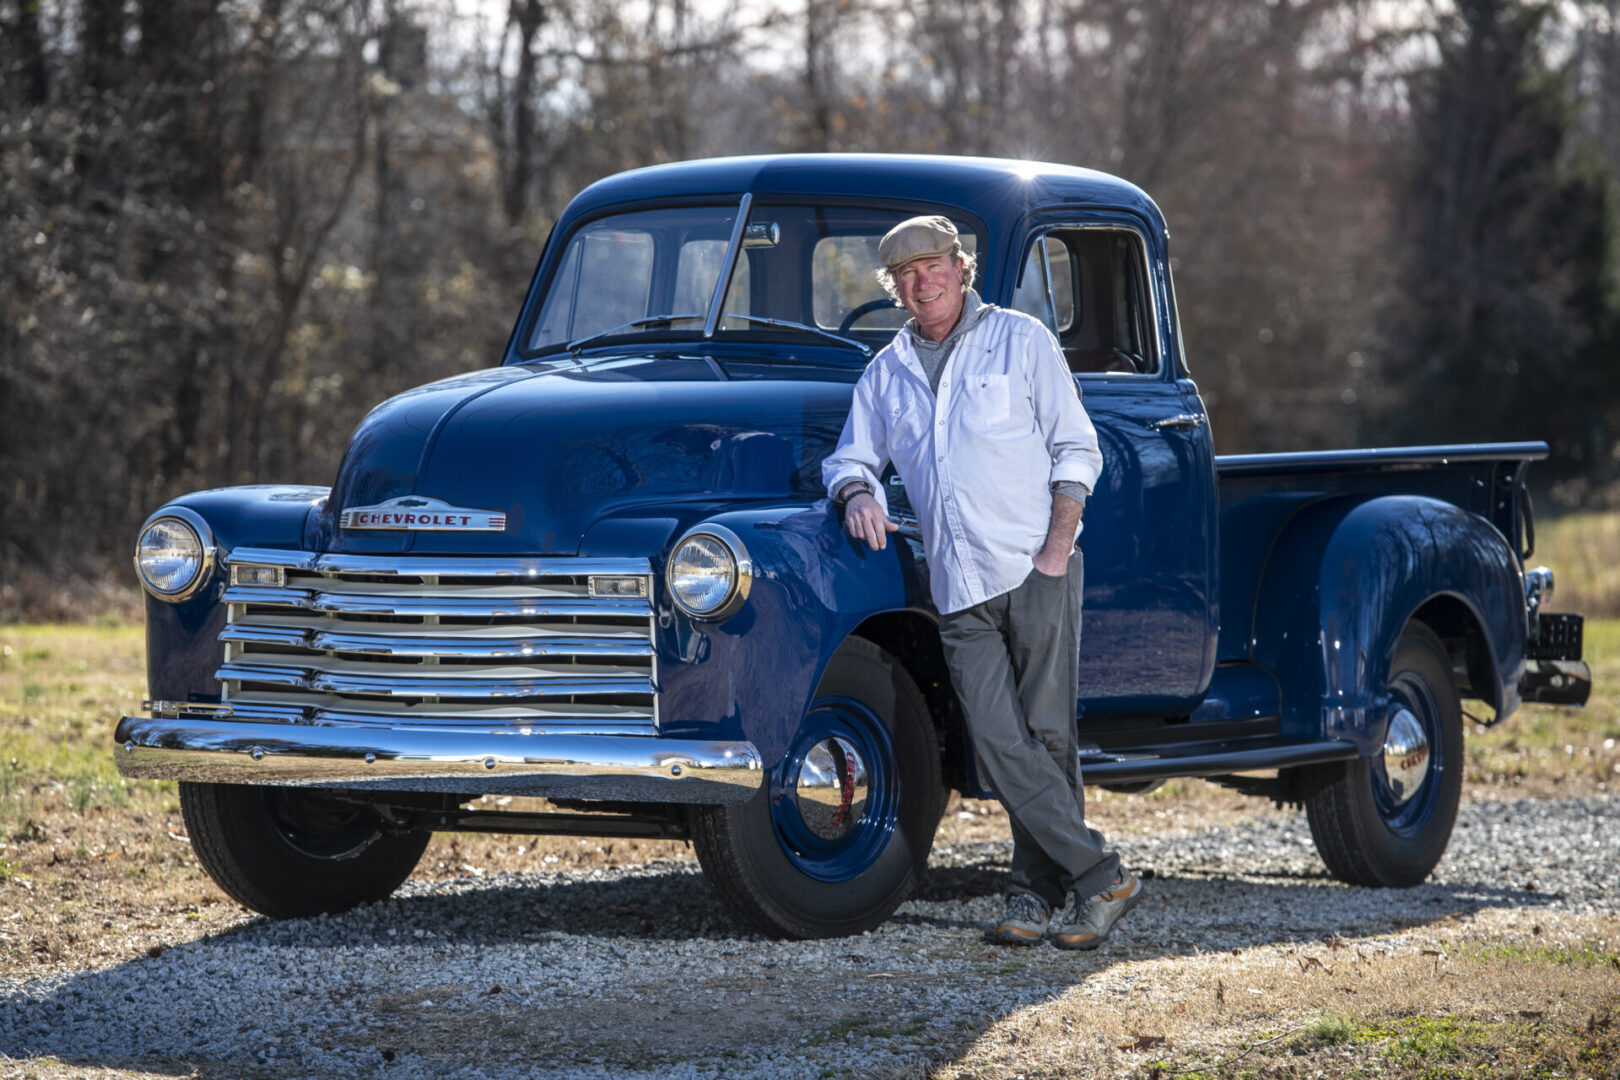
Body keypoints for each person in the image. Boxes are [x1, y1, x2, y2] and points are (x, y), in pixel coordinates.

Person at [821, 215, 1143, 949]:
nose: (920, 282)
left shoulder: (1021, 340)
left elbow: (1076, 446)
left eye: (933, 266)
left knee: (1047, 735)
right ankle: (1104, 878)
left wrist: (1057, 547)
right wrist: (859, 493)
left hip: (1036, 564)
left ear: (960, 269)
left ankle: (1033, 895)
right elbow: (849, 458)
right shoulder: (886, 372)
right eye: (904, 275)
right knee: (1000, 741)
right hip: (958, 586)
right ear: (893, 288)